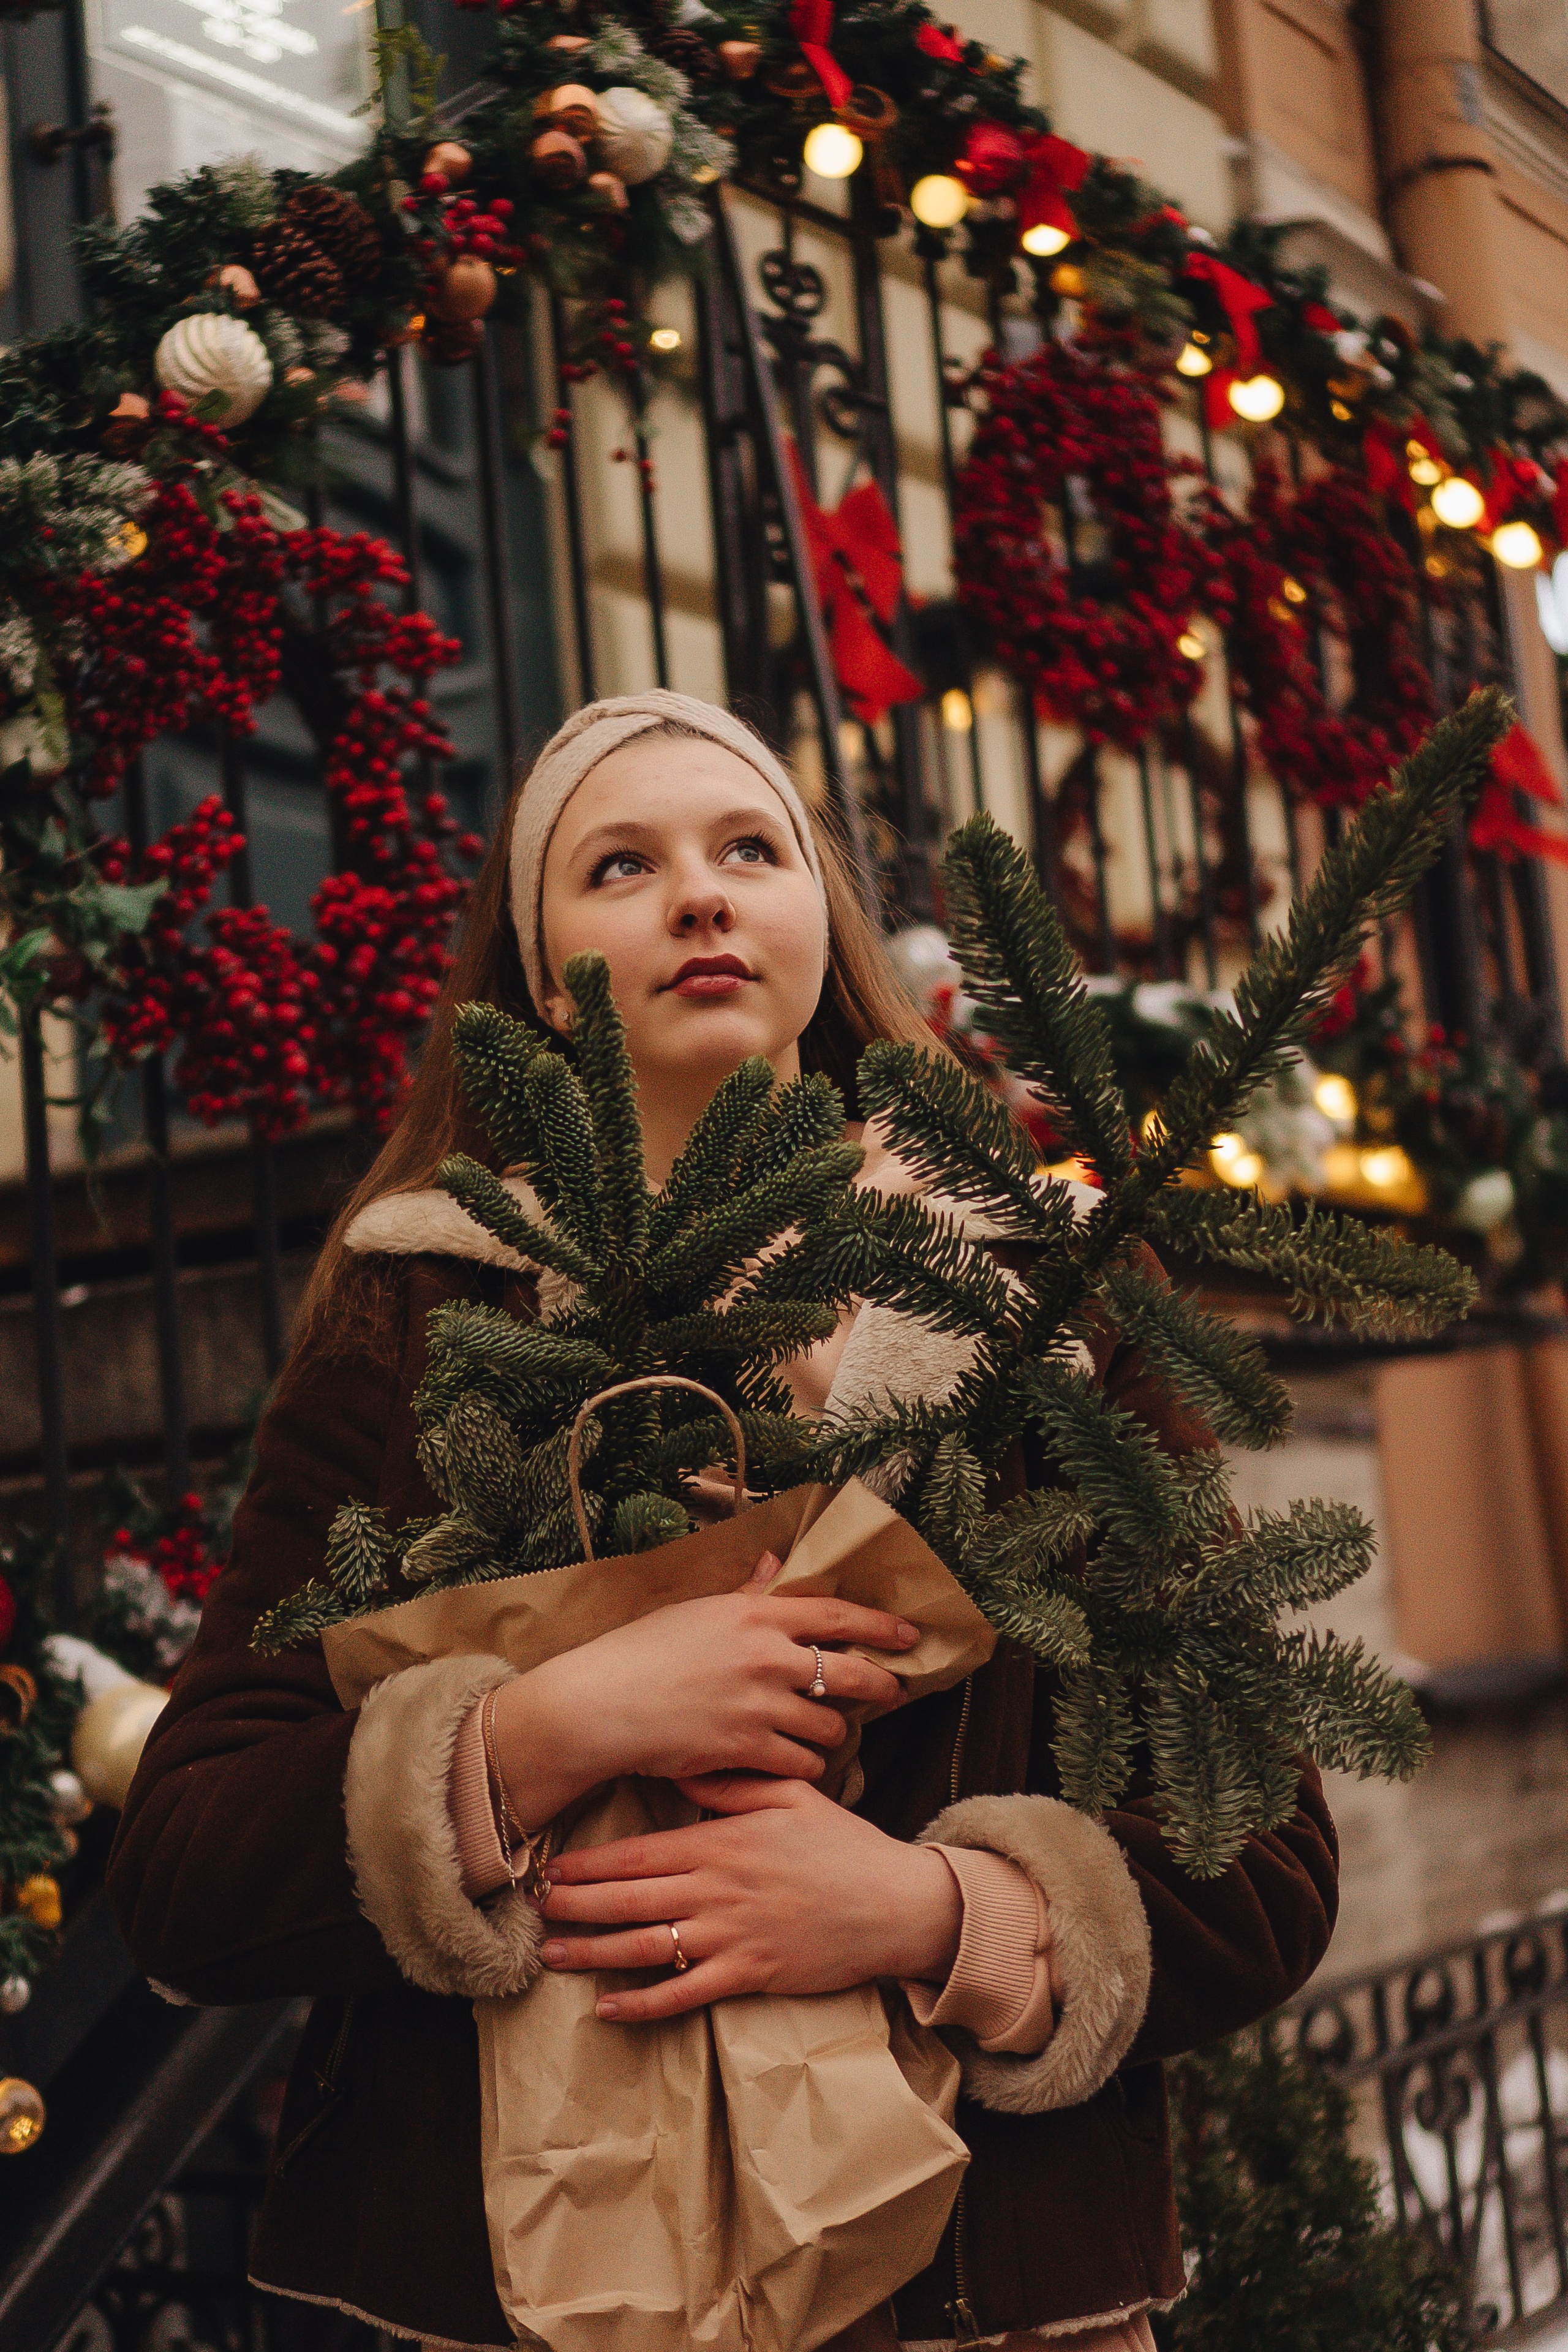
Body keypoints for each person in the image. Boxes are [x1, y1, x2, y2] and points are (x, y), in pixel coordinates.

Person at [107, 690, 1338, 2352]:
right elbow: (187, 1863)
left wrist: (934, 1917)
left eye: (747, 849)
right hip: (519, 2301)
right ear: (548, 983)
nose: (698, 894)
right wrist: (544, 1730)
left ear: (815, 927)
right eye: (621, 865)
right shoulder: (415, 1316)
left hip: (982, 2305)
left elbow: (1261, 1851)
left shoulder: (1044, 1315)